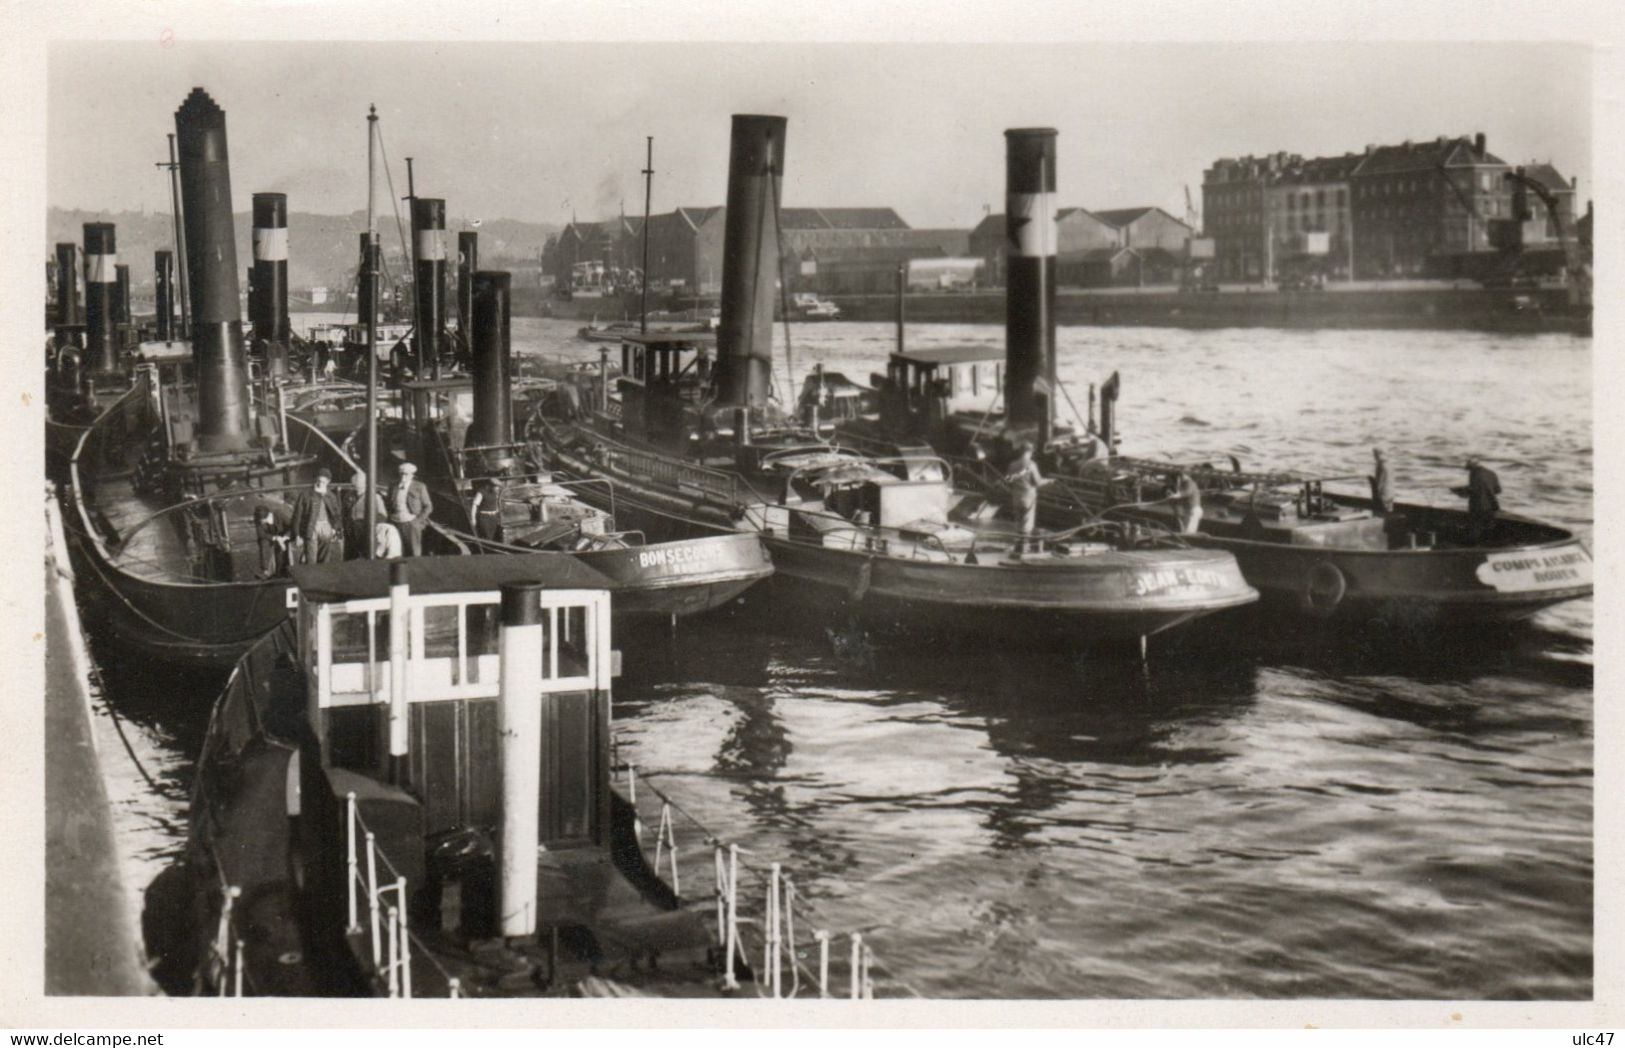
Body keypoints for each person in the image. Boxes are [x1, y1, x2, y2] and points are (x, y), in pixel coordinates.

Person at [290, 468, 344, 564]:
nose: (320, 484)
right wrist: (297, 534)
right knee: (311, 558)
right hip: (311, 528)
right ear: (316, 480)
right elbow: (297, 515)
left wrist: (334, 529)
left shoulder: (331, 496)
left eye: (323, 482)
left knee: (325, 558)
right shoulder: (305, 495)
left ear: (328, 482)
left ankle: (322, 576)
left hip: (327, 527)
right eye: (319, 481)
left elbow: (337, 515)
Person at [1003, 440, 1047, 556]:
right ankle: (1024, 550)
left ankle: (1018, 547)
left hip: (1016, 496)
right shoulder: (1031, 465)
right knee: (1027, 523)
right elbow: (1038, 482)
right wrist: (1049, 481)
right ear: (1029, 452)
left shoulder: (1012, 465)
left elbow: (1008, 481)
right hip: (1029, 497)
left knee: (1018, 521)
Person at [1452, 457, 1501, 544]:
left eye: (1469, 468)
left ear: (1472, 466)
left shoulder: (1474, 473)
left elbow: (1473, 489)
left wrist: (1458, 490)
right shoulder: (1491, 473)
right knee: (1489, 527)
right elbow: (1498, 490)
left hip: (1478, 505)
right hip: (1492, 505)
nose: (1469, 470)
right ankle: (1487, 546)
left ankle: (1472, 548)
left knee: (1475, 527)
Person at [390, 462, 433, 557]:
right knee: (397, 551)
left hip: (411, 524)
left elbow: (428, 506)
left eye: (406, 474)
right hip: (395, 522)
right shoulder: (393, 485)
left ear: (412, 475)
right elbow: (388, 503)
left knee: (414, 552)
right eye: (401, 473)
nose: (403, 476)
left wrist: (417, 521)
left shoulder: (420, 486)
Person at [343, 470, 388, 560]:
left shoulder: (374, 497)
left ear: (366, 484)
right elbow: (344, 512)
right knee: (349, 558)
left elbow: (382, 515)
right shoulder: (349, 496)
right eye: (354, 485)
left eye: (359, 485)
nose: (356, 488)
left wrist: (371, 527)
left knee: (365, 557)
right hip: (350, 532)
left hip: (365, 532)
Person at [253, 501, 293, 578]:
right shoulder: (258, 519)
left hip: (284, 536)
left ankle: (281, 572)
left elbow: (291, 527)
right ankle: (265, 571)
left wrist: (284, 538)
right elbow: (261, 534)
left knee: (281, 549)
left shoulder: (279, 514)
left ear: (266, 517)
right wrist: (276, 538)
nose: (260, 523)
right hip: (272, 537)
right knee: (263, 542)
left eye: (261, 521)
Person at [469, 476, 505, 542]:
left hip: (493, 518)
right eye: (496, 487)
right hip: (484, 519)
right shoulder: (481, 492)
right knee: (487, 537)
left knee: (493, 536)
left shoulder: (495, 492)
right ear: (490, 485)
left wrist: (498, 513)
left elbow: (496, 503)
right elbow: (474, 505)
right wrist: (473, 519)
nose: (498, 489)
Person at [1369, 448, 1395, 517]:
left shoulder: (1381, 465)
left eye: (1374, 454)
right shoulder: (1389, 464)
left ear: (1379, 454)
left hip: (1383, 494)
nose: (1374, 457)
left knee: (1380, 513)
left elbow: (1379, 482)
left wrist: (1376, 496)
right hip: (1390, 493)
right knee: (1388, 511)